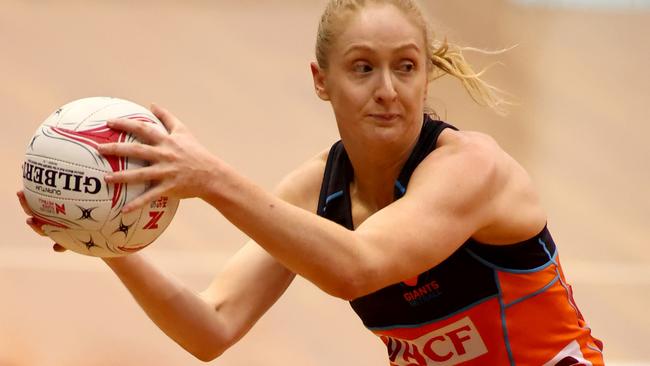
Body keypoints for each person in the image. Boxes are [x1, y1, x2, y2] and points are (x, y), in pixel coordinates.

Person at [19, 0, 604, 364]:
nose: (387, 89)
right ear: (321, 81)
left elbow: (358, 266)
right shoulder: (317, 190)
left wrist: (212, 177)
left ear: (428, 75)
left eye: (406, 66)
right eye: (361, 67)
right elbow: (212, 328)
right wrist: (104, 241)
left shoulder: (471, 168)